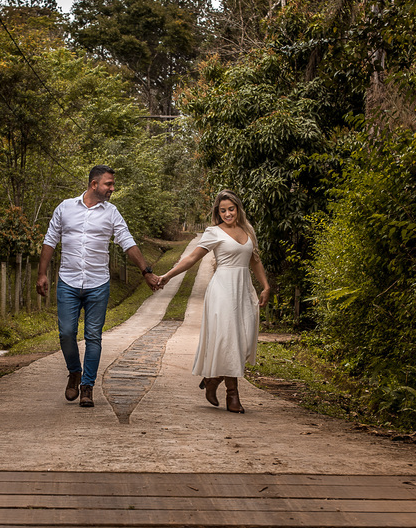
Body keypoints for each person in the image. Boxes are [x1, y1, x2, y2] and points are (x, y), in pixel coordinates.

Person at [37, 166, 161, 407]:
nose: (112, 188)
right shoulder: (65, 208)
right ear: (94, 184)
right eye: (109, 184)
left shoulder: (112, 213)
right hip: (68, 282)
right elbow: (50, 240)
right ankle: (74, 372)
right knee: (66, 333)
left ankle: (87, 386)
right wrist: (42, 273)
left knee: (93, 336)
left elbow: (127, 243)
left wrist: (146, 271)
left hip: (98, 284)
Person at [158, 190, 271, 413]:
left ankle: (213, 379)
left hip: (244, 289)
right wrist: (167, 276)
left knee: (245, 339)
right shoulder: (213, 232)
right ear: (217, 213)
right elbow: (191, 258)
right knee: (230, 340)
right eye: (223, 210)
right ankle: (233, 396)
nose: (228, 213)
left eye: (231, 209)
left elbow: (254, 260)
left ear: (238, 208)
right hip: (223, 290)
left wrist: (265, 286)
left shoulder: (248, 230)